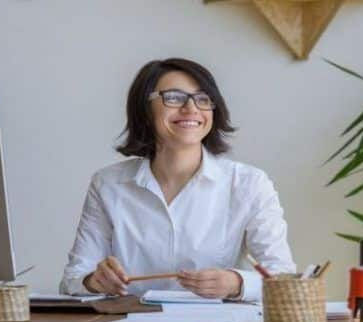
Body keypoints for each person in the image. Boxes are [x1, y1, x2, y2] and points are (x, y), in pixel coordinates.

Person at [60, 58, 295, 301]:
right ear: (145, 109)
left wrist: (236, 283)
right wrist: (95, 281)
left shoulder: (249, 184)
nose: (192, 108)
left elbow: (283, 276)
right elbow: (73, 279)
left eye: (203, 99)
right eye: (173, 97)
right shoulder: (108, 184)